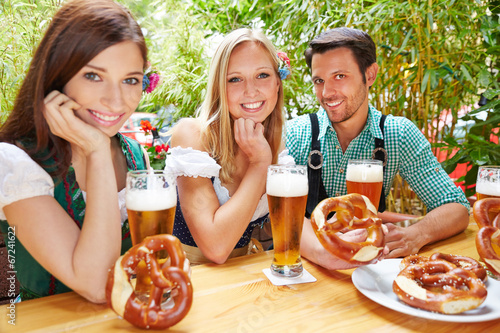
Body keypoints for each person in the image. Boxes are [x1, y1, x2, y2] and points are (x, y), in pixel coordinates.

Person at [0, 0, 150, 302]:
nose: (116, 101)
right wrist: (95, 151)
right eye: (93, 76)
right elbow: (97, 285)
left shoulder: (135, 154)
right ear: (58, 76)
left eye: (130, 80)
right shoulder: (15, 163)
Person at [287, 27, 470, 269]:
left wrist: (418, 233)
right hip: (308, 269)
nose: (327, 92)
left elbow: (457, 207)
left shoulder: (397, 134)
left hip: (373, 269)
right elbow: (278, 217)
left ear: (370, 74)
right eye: (319, 81)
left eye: (339, 76)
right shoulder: (296, 133)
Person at [165, 28, 293, 265]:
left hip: (242, 279)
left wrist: (343, 253)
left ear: (278, 82)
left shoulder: (275, 142)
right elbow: (216, 248)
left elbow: (291, 224)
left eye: (262, 75)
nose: (250, 90)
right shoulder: (192, 135)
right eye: (235, 79)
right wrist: (259, 163)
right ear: (219, 88)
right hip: (186, 280)